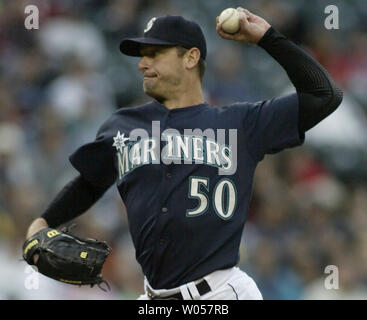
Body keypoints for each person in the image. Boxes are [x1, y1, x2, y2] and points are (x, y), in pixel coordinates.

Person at [25, 8, 343, 300]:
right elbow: (90, 183)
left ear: (191, 58)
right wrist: (44, 220)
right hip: (154, 297)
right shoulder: (123, 125)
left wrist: (267, 38)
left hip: (220, 294)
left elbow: (324, 95)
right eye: (141, 55)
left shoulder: (241, 124)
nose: (142, 63)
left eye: (155, 53)